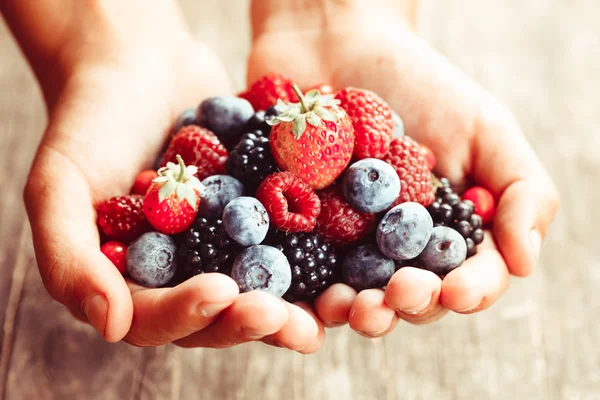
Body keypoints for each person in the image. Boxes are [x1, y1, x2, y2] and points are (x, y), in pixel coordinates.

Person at [1, 0, 559, 352]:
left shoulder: (345, 171)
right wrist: (110, 47)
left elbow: (336, 205)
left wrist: (341, 14)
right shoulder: (252, 155)